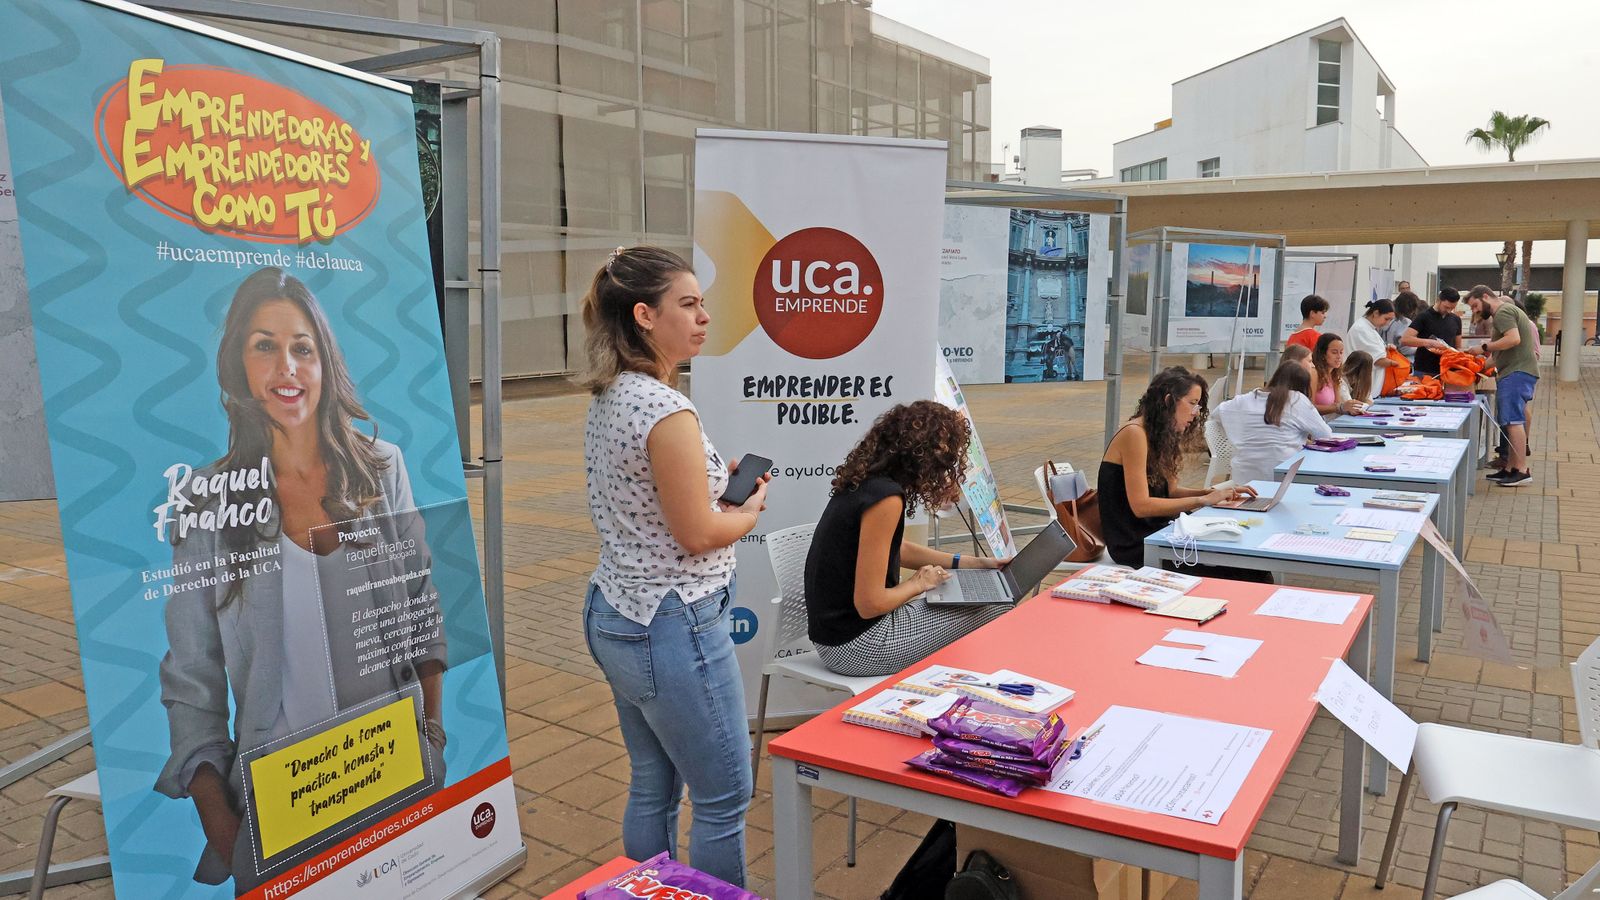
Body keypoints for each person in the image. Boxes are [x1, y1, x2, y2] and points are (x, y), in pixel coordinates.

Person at [157, 268, 447, 893]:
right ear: (239, 364)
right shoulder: (208, 501)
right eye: (264, 345)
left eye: (302, 348)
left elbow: (422, 608)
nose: (285, 366)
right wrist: (226, 832)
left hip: (389, 765)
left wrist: (432, 738)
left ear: (324, 364)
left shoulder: (381, 470)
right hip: (279, 795)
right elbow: (192, 683)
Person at [579, 246, 768, 886]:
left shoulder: (614, 397)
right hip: (673, 623)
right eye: (687, 305)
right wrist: (751, 509)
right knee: (722, 798)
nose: (704, 317)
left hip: (620, 611)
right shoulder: (665, 410)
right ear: (644, 315)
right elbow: (698, 531)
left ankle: (647, 890)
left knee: (653, 785)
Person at [805, 401, 1010, 678]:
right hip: (857, 647)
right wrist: (919, 584)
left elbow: (897, 548)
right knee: (999, 606)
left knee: (968, 596)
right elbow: (870, 604)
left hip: (837, 637)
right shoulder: (886, 498)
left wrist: (971, 563)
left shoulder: (868, 483)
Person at [1097, 367, 1269, 581]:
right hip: (1136, 544)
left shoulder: (1160, 434)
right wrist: (1202, 500)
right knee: (1246, 574)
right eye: (1192, 403)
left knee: (1250, 566)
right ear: (1169, 401)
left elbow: (1172, 491)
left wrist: (1217, 493)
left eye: (1198, 404)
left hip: (1161, 534)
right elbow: (1141, 506)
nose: (1196, 411)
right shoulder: (1135, 434)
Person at [1466, 286, 1538, 487]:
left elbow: (1513, 340)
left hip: (1516, 373)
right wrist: (1475, 364)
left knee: (1513, 421)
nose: (1475, 311)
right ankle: (1510, 468)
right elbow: (1498, 356)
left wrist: (1483, 347)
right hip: (1515, 371)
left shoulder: (1503, 312)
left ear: (1486, 296)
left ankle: (1521, 471)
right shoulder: (1505, 313)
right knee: (1510, 420)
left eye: (1475, 305)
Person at [1213, 362, 1331, 485]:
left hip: (1243, 478)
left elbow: (1215, 415)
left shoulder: (1243, 400)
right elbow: (1326, 435)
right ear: (1303, 387)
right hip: (1284, 478)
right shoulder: (1297, 399)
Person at [1402, 287, 1463, 377]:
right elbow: (1405, 339)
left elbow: (1458, 346)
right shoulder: (1424, 317)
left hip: (1448, 371)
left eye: (1452, 308)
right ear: (1439, 300)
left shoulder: (1456, 319)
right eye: (1446, 307)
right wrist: (1429, 342)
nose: (1448, 311)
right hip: (1425, 370)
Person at [1343, 299, 1397, 400]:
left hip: (1369, 390)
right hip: (1363, 390)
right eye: (1386, 319)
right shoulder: (1362, 329)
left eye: (1390, 320)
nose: (1387, 324)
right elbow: (1378, 360)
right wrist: (1400, 365)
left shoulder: (1368, 328)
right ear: (1376, 313)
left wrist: (1386, 348)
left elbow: (1374, 351)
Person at [1310, 333, 1365, 417]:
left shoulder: (1335, 375)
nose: (1339, 356)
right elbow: (1309, 408)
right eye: (1334, 352)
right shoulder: (1313, 374)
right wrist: (1340, 407)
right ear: (1323, 354)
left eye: (1341, 352)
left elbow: (1338, 405)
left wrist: (1351, 409)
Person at [1386, 291, 1423, 362]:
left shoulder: (1386, 319)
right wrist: (1421, 348)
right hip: (1401, 360)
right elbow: (1405, 348)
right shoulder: (1405, 322)